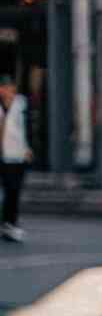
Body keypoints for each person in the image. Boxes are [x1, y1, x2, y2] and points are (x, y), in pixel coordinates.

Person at [0, 75, 29, 242]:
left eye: (9, 88)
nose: (6, 91)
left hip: (17, 154)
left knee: (14, 189)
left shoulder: (21, 105)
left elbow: (29, 127)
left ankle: (10, 223)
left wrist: (28, 147)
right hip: (3, 155)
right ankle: (7, 223)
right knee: (8, 189)